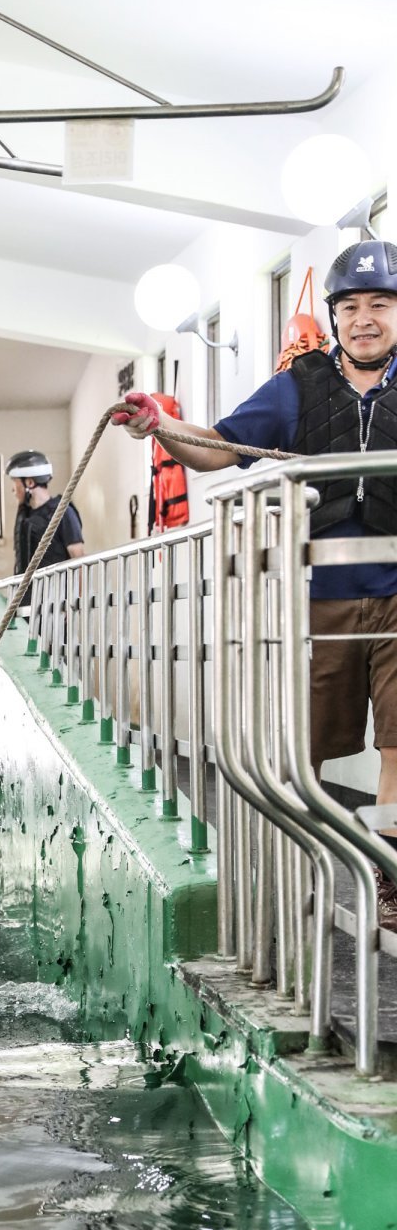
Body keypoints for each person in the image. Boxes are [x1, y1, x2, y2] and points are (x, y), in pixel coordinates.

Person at [113, 239, 397, 926]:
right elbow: (217, 450)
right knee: (312, 749)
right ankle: (304, 868)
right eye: (351, 307)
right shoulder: (299, 385)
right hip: (316, 597)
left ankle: (391, 882)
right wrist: (161, 427)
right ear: (332, 318)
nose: (365, 319)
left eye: (380, 305)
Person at [7, 449, 84, 605]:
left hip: (55, 602)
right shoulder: (25, 516)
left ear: (29, 483)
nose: (13, 490)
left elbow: (78, 558)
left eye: (15, 483)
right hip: (27, 601)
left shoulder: (63, 512)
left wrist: (75, 602)